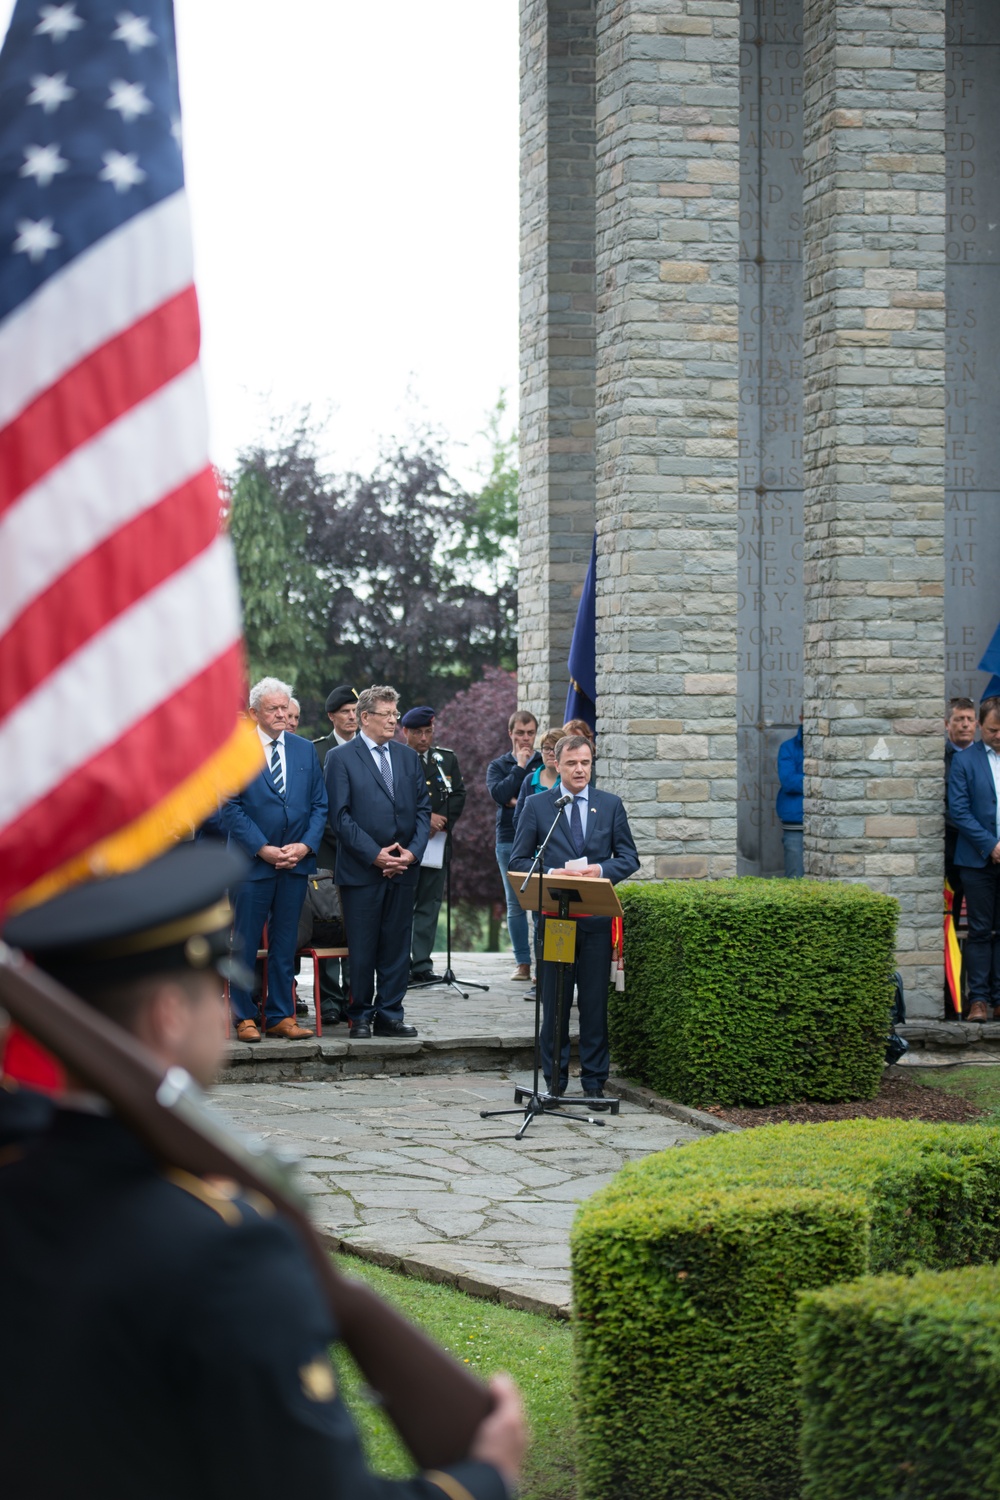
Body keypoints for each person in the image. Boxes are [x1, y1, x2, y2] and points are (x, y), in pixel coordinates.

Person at [0, 843, 525, 1499]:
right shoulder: (227, 1248)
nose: (225, 1011)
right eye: (214, 990)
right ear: (169, 1016)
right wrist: (481, 1480)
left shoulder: (19, 1183)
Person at [509, 734, 639, 1098]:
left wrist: (598, 871)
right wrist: (552, 875)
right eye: (572, 763)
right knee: (555, 1005)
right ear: (557, 764)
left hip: (596, 923)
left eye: (585, 763)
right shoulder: (538, 806)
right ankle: (554, 1082)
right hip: (557, 921)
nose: (579, 769)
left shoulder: (609, 805)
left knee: (595, 1006)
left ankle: (595, 1084)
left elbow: (629, 857)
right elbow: (519, 861)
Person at [221, 677, 328, 1043]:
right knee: (246, 943)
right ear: (254, 713)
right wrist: (262, 848)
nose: (283, 714)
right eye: (274, 709)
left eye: (286, 707)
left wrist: (304, 846)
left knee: (285, 944)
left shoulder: (303, 749)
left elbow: (319, 805)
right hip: (252, 864)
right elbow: (230, 807)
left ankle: (280, 1015)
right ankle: (244, 1016)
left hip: (295, 864)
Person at [325, 686, 431, 1038]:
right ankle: (360, 1016)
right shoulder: (340, 759)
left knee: (396, 946)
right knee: (363, 947)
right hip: (361, 871)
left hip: (404, 868)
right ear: (365, 717)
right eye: (385, 714)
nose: (393, 720)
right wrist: (376, 855)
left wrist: (412, 853)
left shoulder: (407, 757)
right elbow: (339, 817)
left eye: (394, 714)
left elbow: (423, 811)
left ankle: (390, 1013)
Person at [401, 706, 467, 985]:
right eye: (418, 732)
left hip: (437, 845)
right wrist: (424, 820)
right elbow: (394, 800)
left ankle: (422, 964)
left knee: (429, 904)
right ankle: (399, 963)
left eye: (428, 731)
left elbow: (458, 795)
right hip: (405, 846)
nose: (424, 738)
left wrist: (441, 821)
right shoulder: (398, 758)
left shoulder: (445, 759)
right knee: (403, 907)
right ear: (405, 732)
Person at [948, 695, 1000, 1022]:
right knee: (980, 930)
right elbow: (960, 811)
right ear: (980, 726)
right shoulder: (965, 761)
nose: (999, 735)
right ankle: (978, 999)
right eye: (993, 729)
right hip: (977, 860)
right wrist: (991, 845)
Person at [313, 685, 360, 1021]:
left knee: (358, 927)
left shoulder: (368, 750)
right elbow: (319, 808)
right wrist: (348, 839)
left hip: (364, 854)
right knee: (329, 923)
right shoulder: (317, 752)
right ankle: (329, 1000)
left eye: (356, 709)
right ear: (332, 716)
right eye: (345, 711)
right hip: (330, 852)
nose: (352, 716)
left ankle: (354, 997)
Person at [487, 712, 541, 981]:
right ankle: (523, 963)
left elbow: (541, 796)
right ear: (510, 733)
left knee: (541, 902)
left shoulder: (545, 762)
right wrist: (520, 768)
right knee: (516, 903)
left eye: (530, 733)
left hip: (540, 841)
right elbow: (499, 795)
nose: (525, 738)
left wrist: (516, 799)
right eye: (520, 733)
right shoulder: (499, 765)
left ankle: (542, 961)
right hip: (508, 839)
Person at [945, 696, 976, 928]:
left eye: (970, 719)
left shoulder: (988, 758)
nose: (965, 724)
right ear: (947, 724)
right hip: (951, 847)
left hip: (985, 849)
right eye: (959, 719)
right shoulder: (939, 759)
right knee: (950, 916)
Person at [777, 718, 804, 878]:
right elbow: (788, 782)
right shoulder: (788, 747)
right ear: (801, 718)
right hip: (796, 821)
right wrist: (818, 778)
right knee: (796, 877)